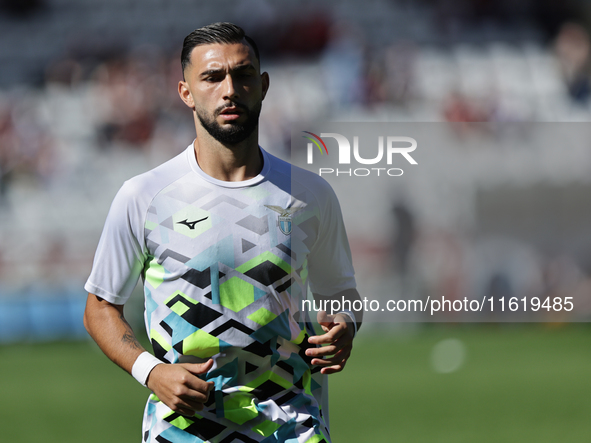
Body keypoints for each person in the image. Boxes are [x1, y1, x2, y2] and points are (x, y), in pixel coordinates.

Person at [83, 22, 362, 443]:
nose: (230, 89)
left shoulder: (311, 195)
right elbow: (100, 306)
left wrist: (344, 326)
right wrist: (152, 372)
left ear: (263, 85)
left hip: (292, 423)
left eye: (243, 74)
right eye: (212, 77)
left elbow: (341, 294)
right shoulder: (144, 196)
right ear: (186, 93)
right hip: (184, 429)